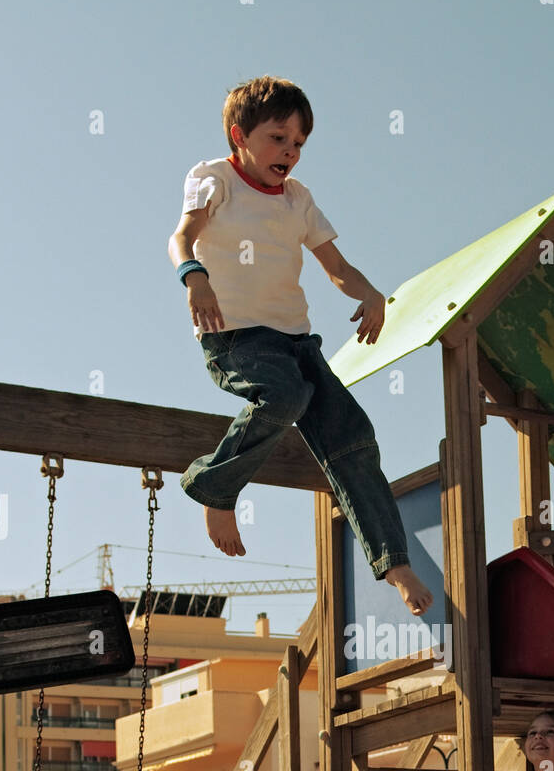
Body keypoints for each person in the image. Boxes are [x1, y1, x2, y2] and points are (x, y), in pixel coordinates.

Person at [167, 76, 433, 618]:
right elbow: (181, 236)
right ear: (240, 136)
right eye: (278, 138)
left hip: (295, 341)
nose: (289, 152)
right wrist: (195, 277)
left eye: (298, 144)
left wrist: (370, 293)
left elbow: (336, 268)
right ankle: (214, 487)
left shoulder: (298, 200)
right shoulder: (213, 178)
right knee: (285, 396)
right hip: (235, 334)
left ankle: (393, 558)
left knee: (353, 435)